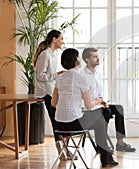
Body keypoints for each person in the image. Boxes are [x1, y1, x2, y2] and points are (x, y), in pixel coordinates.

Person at [51, 48, 118, 167]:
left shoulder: (59, 79)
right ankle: (106, 159)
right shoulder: (81, 78)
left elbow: (53, 103)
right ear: (76, 60)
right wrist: (97, 101)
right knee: (101, 121)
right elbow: (88, 105)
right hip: (74, 122)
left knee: (99, 120)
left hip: (60, 124)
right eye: (78, 56)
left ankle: (106, 156)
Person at [80, 47, 136, 152]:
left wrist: (102, 101)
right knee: (107, 111)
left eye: (97, 56)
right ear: (87, 59)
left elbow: (99, 95)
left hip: (98, 105)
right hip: (88, 109)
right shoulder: (82, 76)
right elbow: (82, 99)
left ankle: (120, 143)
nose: (98, 58)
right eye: (95, 56)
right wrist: (96, 102)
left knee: (118, 108)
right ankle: (102, 145)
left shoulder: (98, 75)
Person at [33, 29, 68, 160]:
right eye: (61, 39)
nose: (62, 41)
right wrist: (56, 75)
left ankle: (64, 150)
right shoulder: (45, 54)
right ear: (54, 39)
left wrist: (58, 76)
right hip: (45, 92)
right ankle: (62, 152)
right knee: (56, 121)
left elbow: (49, 75)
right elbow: (40, 75)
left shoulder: (53, 55)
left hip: (51, 90)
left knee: (59, 120)